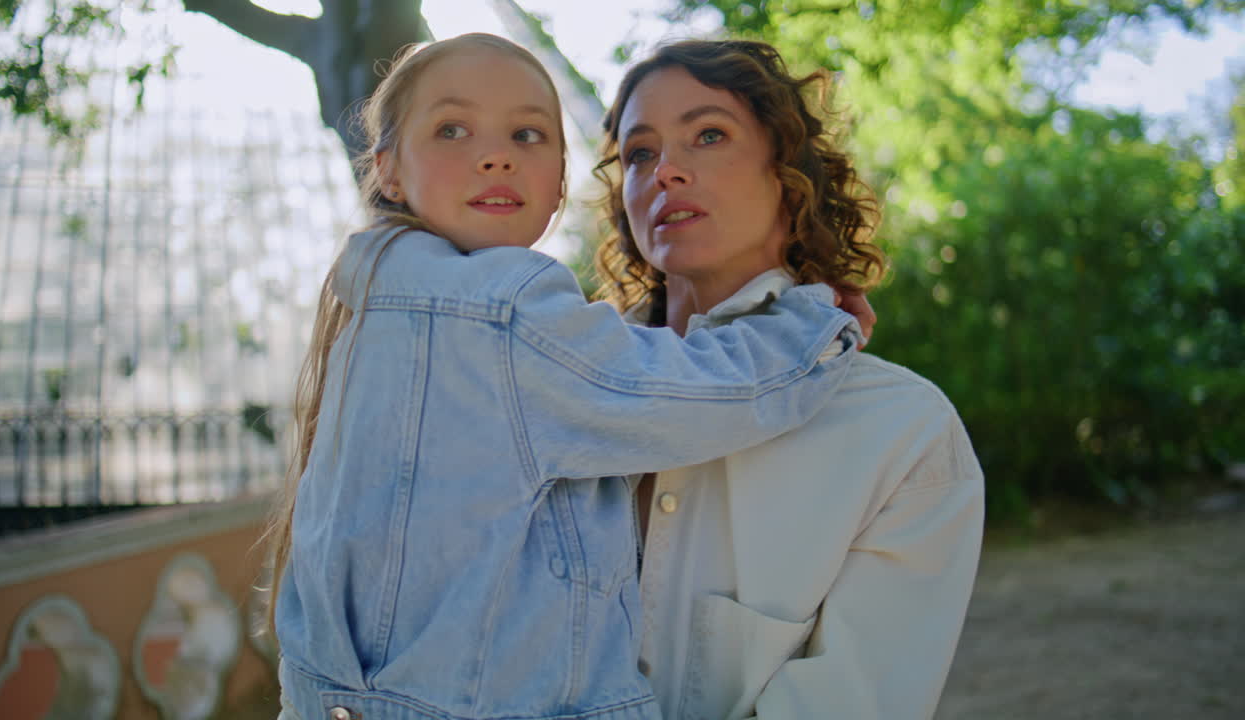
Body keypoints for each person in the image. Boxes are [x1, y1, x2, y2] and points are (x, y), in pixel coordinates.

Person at [267, 33, 867, 720]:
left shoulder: (370, 306)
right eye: (452, 129)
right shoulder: (502, 313)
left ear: (558, 185)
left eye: (526, 134)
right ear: (389, 169)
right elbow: (712, 393)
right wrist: (811, 327)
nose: (494, 155)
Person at [593, 39, 985, 719]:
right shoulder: (557, 398)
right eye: (639, 153)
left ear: (788, 171)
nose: (666, 172)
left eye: (708, 134)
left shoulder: (902, 435)